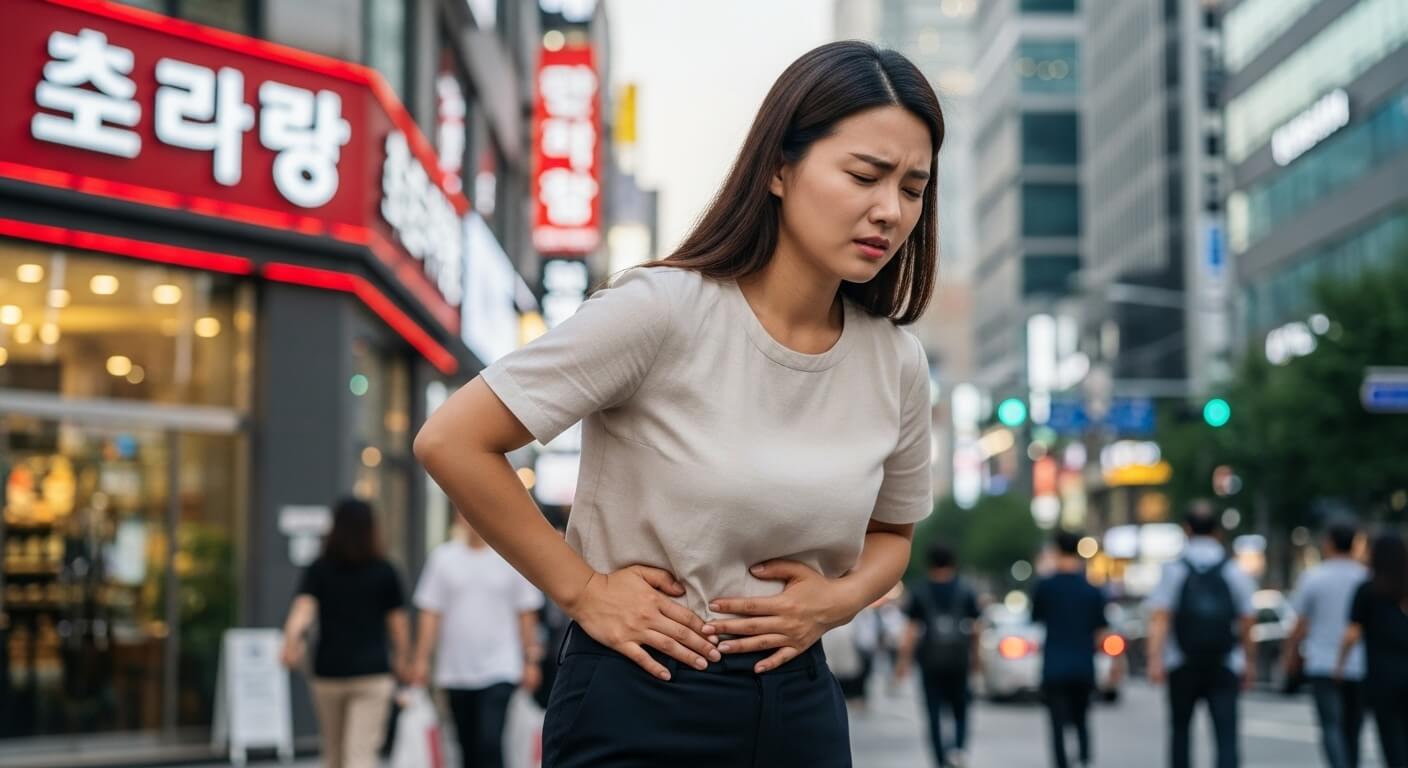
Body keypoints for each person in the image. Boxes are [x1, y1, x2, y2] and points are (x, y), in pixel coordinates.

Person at [414, 40, 942, 767]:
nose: (889, 210)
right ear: (780, 169)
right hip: (643, 693)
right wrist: (584, 591)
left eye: (912, 188)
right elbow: (452, 439)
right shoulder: (664, 310)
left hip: (800, 706)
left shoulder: (897, 361)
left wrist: (837, 602)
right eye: (864, 175)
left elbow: (893, 538)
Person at [280, 498, 409, 768]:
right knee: (359, 755)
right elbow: (398, 626)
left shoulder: (320, 568)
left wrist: (291, 641)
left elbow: (303, 611)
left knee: (334, 756)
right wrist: (403, 661)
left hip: (328, 673)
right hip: (372, 674)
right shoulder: (385, 571)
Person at [410, 516, 546, 768]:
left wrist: (531, 659)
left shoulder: (510, 558)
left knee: (490, 740)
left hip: (501, 666)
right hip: (455, 670)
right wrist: (421, 660)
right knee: (466, 746)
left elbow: (526, 614)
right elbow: (430, 613)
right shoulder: (443, 558)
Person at [1146, 502, 1257, 768]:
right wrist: (1250, 662)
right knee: (1226, 735)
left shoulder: (1173, 570)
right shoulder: (1235, 571)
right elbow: (1247, 621)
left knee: (1181, 731)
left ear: (1186, 529)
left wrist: (1155, 659)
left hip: (1181, 662)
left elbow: (1160, 619)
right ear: (1218, 531)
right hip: (1225, 661)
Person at [1284, 519, 1367, 768]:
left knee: (1331, 725)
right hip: (1360, 664)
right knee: (1353, 729)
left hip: (1322, 662)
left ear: (1328, 543)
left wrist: (1289, 657)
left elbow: (1299, 624)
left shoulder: (1314, 577)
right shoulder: (1365, 577)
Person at [895, 543, 981, 768]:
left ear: (929, 563)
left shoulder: (920, 591)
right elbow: (975, 628)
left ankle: (939, 759)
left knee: (933, 713)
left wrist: (903, 662)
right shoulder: (965, 590)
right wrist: (977, 659)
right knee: (961, 709)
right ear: (954, 563)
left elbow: (912, 631)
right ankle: (959, 751)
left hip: (930, 661)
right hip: (958, 659)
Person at [1032, 530, 1111, 768]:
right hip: (1083, 664)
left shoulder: (1045, 586)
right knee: (1082, 719)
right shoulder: (1091, 589)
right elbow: (1101, 632)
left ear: (1055, 551)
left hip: (1054, 665)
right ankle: (1085, 760)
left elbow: (1036, 618)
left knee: (1056, 724)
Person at [1336, 533, 1408, 767]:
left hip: (1382, 677)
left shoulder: (1369, 590)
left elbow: (1352, 634)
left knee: (1392, 742)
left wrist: (1339, 665)